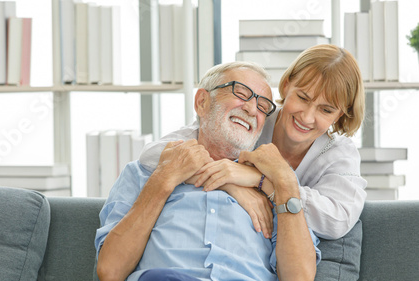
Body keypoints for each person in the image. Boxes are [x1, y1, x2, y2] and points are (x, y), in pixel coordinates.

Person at [95, 62, 321, 281]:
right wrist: (164, 180)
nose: (252, 109)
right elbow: (110, 271)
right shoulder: (142, 173)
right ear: (202, 102)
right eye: (241, 93)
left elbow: (299, 277)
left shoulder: (273, 189)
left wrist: (285, 181)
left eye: (263, 107)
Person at [139, 44, 367, 240]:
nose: (307, 117)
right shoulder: (254, 116)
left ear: (340, 114)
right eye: (302, 98)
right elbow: (151, 155)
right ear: (286, 85)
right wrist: (229, 181)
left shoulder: (339, 153)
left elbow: (336, 221)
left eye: (326, 110)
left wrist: (259, 182)